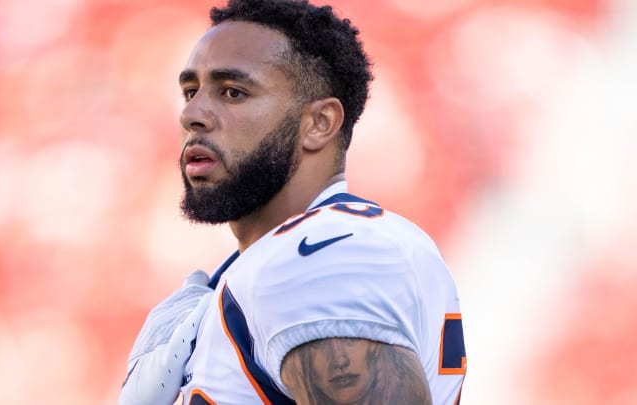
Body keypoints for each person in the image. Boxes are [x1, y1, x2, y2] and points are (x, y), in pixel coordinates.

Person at [120, 0, 467, 404]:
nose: (192, 114)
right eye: (190, 91)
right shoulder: (260, 266)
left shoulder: (318, 252)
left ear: (319, 124)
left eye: (233, 92)